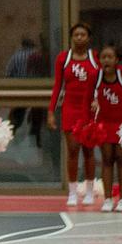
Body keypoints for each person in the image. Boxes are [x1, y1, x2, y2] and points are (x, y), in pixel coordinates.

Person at [48, 23, 100, 207]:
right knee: (72, 149)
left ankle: (89, 190)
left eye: (83, 35)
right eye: (76, 35)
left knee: (88, 151)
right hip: (70, 108)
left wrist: (98, 100)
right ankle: (72, 192)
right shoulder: (63, 58)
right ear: (72, 37)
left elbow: (102, 84)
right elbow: (57, 86)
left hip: (89, 110)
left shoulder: (95, 58)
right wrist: (51, 112)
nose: (79, 38)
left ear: (88, 38)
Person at [91, 44, 122, 213]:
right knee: (107, 159)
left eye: (110, 57)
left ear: (116, 60)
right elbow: (87, 99)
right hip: (104, 122)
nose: (106, 60)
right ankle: (108, 199)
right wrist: (88, 122)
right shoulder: (96, 76)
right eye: (103, 57)